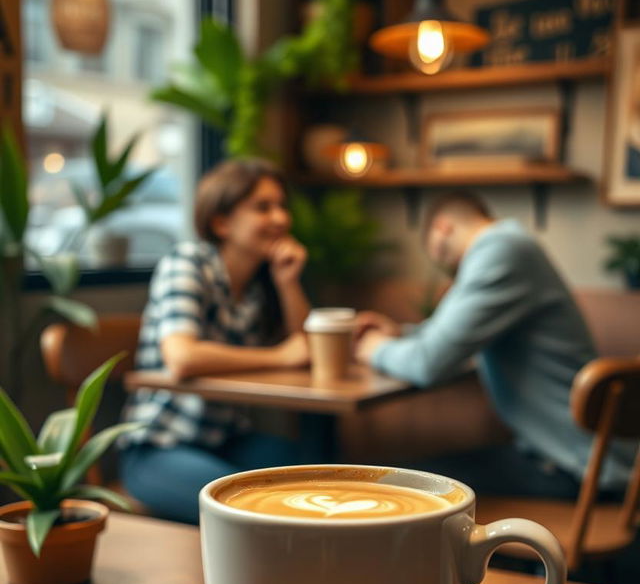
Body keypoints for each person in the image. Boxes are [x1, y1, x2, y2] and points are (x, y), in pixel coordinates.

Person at [354, 190, 632, 499]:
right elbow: (448, 334)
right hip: (565, 454)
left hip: (578, 467)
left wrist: (371, 347)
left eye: (431, 251)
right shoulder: (508, 247)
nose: (440, 265)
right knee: (411, 474)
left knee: (401, 485)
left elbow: (427, 363)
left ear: (442, 228)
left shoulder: (501, 251)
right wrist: (399, 334)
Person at [119, 158, 310, 523]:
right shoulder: (186, 263)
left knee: (315, 476)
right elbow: (183, 357)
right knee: (248, 510)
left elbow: (304, 351)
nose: (281, 219)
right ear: (221, 222)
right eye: (263, 207)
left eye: (282, 206)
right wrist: (279, 357)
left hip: (227, 440)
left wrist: (288, 283)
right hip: (158, 448)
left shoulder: (258, 289)